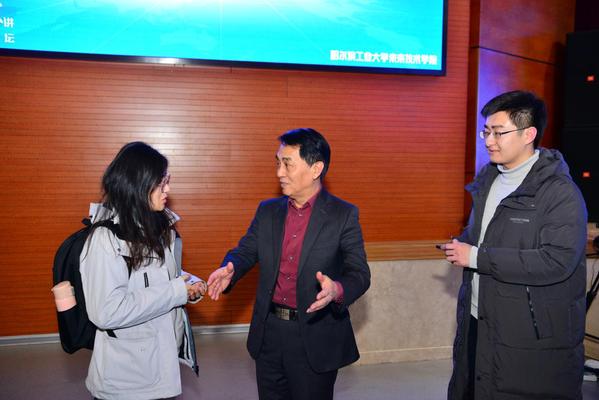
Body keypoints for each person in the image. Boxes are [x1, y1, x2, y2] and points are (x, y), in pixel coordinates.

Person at [442, 91, 587, 399]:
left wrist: (477, 257)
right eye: (486, 131)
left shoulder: (559, 193)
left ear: (528, 134)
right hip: (480, 319)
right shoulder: (489, 180)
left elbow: (557, 261)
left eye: (499, 132)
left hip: (529, 334)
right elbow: (487, 235)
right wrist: (464, 244)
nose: (489, 141)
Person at [207, 128, 371, 400]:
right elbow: (246, 251)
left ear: (316, 168)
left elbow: (359, 273)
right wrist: (231, 268)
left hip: (315, 335)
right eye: (278, 163)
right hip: (269, 332)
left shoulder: (343, 215)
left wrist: (337, 290)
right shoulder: (267, 211)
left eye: (287, 164)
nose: (279, 173)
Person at [80, 141, 207, 400]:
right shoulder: (105, 239)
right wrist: (176, 291)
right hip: (126, 380)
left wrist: (188, 283)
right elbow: (106, 311)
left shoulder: (159, 228)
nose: (167, 189)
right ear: (138, 185)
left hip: (159, 364)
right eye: (161, 183)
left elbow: (158, 278)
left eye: (167, 181)